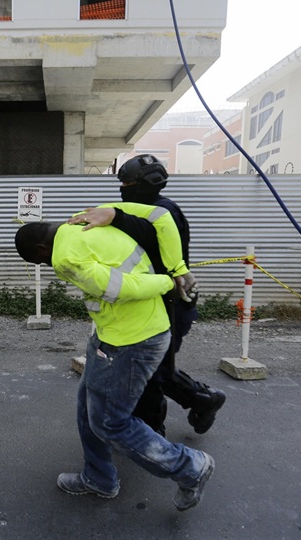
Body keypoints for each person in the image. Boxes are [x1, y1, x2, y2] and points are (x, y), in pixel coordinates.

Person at [14, 205, 214, 511]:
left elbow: (119, 288)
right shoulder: (86, 215)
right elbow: (161, 215)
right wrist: (179, 267)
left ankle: (190, 467)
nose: (47, 264)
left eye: (40, 260)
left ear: (43, 249)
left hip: (133, 341)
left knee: (111, 423)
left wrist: (167, 281)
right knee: (87, 404)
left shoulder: (65, 257)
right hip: (115, 334)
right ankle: (99, 477)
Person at [68, 154, 226, 437]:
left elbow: (148, 236)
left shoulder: (164, 212)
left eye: (126, 182)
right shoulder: (142, 208)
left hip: (170, 302)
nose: (122, 187)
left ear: (140, 184)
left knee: (149, 373)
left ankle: (153, 434)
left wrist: (115, 216)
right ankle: (202, 399)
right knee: (155, 369)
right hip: (155, 300)